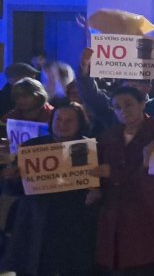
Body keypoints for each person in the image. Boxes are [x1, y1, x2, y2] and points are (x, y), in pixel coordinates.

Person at [1, 102, 99, 275]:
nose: (62, 124)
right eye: (58, 119)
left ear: (80, 123)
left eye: (69, 121)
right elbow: (13, 189)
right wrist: (10, 176)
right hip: (36, 227)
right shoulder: (32, 147)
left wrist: (97, 190)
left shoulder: (89, 150)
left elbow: (98, 188)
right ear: (51, 121)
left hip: (73, 231)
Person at [94, 85, 154, 274]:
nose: (123, 111)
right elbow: (98, 168)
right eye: (117, 107)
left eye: (128, 104)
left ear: (143, 104)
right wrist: (95, 187)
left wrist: (113, 173)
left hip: (147, 215)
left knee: (145, 264)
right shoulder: (109, 135)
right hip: (115, 217)